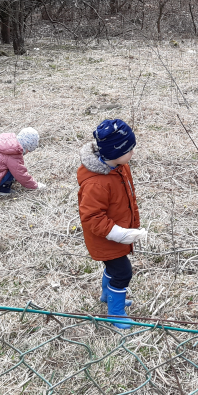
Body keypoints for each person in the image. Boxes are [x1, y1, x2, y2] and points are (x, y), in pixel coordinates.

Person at [77, 119, 148, 330]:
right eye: (129, 149)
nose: (132, 153)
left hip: (118, 232)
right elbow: (91, 217)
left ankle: (107, 295)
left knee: (113, 266)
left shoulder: (119, 167)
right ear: (114, 152)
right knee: (123, 272)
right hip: (106, 237)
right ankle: (115, 312)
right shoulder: (96, 183)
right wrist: (119, 234)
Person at [0, 127, 45, 195]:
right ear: (26, 147)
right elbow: (20, 174)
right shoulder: (13, 154)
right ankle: (3, 190)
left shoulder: (6, 144)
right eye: (29, 150)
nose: (27, 153)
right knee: (14, 169)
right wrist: (35, 185)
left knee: (10, 166)